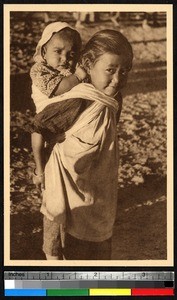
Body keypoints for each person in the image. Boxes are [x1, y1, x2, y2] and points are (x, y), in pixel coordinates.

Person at [32, 29, 133, 260]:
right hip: (67, 187)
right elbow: (39, 128)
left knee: (97, 250)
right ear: (88, 64)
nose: (117, 79)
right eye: (110, 70)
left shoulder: (113, 99)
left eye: (124, 71)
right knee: (65, 249)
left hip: (99, 187)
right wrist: (39, 170)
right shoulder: (77, 100)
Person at [30, 21, 87, 260]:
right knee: (53, 199)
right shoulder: (39, 71)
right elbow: (57, 91)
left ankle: (67, 248)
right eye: (58, 51)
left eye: (71, 54)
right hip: (46, 131)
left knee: (69, 196)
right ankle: (52, 253)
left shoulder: (67, 72)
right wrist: (79, 77)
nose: (65, 58)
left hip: (64, 135)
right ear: (43, 50)